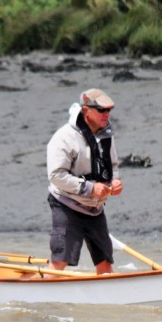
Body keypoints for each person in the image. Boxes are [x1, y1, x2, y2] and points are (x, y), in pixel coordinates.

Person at [46, 88, 123, 274]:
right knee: (60, 262)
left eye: (108, 110)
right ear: (86, 110)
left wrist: (114, 181)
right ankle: (41, 295)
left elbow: (113, 165)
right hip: (66, 206)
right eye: (101, 110)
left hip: (94, 209)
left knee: (105, 261)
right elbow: (56, 176)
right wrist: (90, 188)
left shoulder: (106, 135)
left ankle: (109, 297)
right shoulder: (63, 138)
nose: (106, 114)